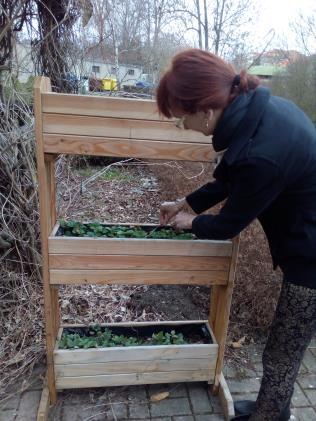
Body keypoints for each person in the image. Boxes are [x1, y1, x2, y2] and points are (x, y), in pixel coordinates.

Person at [156, 48, 316, 421]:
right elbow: (230, 176)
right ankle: (270, 409)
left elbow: (228, 224)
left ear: (206, 112)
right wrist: (186, 203)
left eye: (183, 120)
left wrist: (190, 223)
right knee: (283, 350)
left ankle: (270, 416)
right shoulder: (260, 115)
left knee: (282, 351)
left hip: (312, 256)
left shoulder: (262, 153)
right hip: (305, 240)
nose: (185, 128)